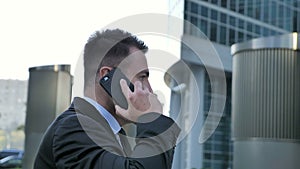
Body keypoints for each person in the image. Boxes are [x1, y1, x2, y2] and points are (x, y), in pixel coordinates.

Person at [34, 28, 180, 169]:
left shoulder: (114, 134)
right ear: (108, 77)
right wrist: (151, 118)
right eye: (142, 77)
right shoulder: (74, 128)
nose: (149, 90)